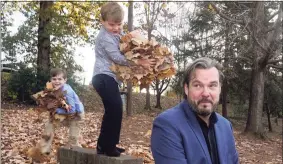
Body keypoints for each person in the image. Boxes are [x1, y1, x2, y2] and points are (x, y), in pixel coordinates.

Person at [92, 2, 155, 157]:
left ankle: (105, 145)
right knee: (115, 109)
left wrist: (133, 36)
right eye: (112, 24)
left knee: (113, 111)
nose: (116, 28)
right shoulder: (105, 37)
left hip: (109, 78)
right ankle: (108, 146)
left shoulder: (115, 34)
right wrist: (139, 62)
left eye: (119, 24)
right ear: (103, 22)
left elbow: (125, 41)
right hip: (103, 77)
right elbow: (116, 57)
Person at [151, 57, 239, 164]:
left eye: (212, 85)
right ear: (186, 89)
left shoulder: (225, 126)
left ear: (219, 89)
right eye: (198, 85)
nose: (206, 93)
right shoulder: (167, 125)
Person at [37, 68, 85, 155]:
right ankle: (44, 151)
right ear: (50, 80)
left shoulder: (68, 91)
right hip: (61, 112)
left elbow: (72, 110)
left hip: (76, 114)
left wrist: (56, 109)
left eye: (60, 79)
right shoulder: (50, 89)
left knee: (73, 136)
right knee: (49, 126)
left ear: (65, 80)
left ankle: (74, 152)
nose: (57, 81)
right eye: (54, 79)